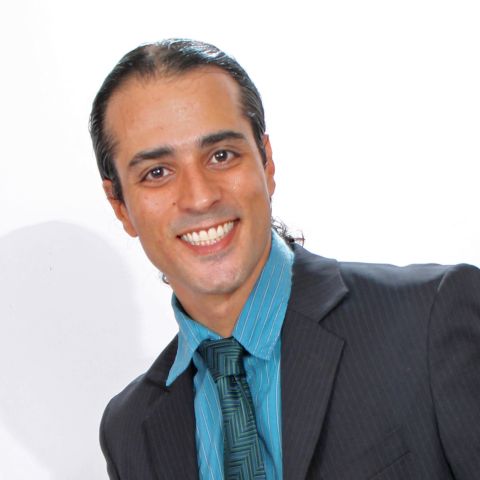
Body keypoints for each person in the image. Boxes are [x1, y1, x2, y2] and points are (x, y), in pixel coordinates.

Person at [89, 39, 480, 480]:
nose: (199, 197)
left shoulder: (430, 319)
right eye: (157, 172)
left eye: (221, 155)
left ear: (267, 163)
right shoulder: (129, 432)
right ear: (120, 206)